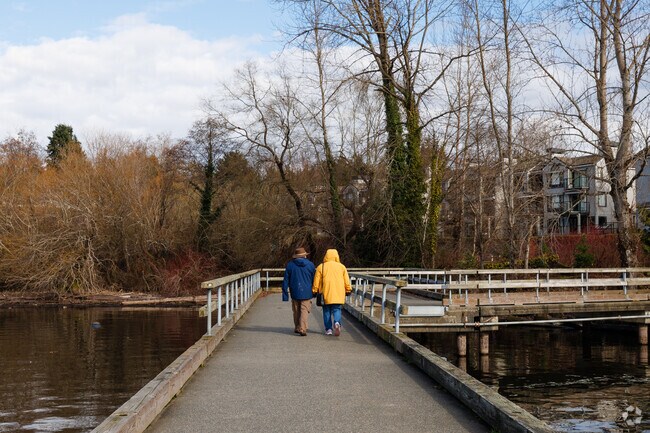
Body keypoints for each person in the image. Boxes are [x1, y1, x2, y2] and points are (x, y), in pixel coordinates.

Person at [312, 248, 351, 336]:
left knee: (326, 311)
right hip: (338, 293)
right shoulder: (342, 267)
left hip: (325, 293)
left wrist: (314, 290)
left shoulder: (321, 267)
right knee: (337, 309)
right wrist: (348, 290)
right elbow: (346, 280)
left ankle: (328, 329)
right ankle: (337, 322)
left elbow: (316, 281)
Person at [282, 247, 316, 336]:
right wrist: (315, 291)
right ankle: (302, 328)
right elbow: (314, 279)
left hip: (295, 291)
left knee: (296, 310)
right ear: (304, 255)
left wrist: (285, 295)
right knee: (304, 310)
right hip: (307, 291)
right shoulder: (310, 265)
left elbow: (285, 280)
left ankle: (297, 327)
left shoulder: (290, 265)